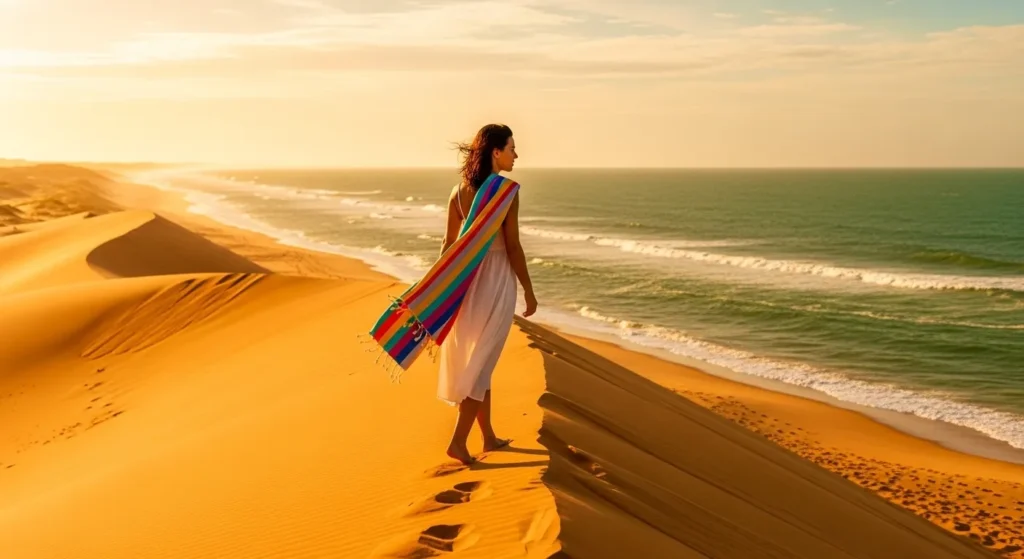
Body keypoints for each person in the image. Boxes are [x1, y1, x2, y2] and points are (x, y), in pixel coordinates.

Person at [437, 124, 537, 465]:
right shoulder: (506, 191)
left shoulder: (459, 191)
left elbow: (448, 246)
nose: (516, 154)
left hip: (466, 282)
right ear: (496, 151)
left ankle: (489, 437)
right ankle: (458, 442)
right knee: (482, 363)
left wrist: (441, 290)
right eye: (512, 147)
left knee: (480, 360)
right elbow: (512, 246)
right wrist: (528, 289)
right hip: (494, 280)